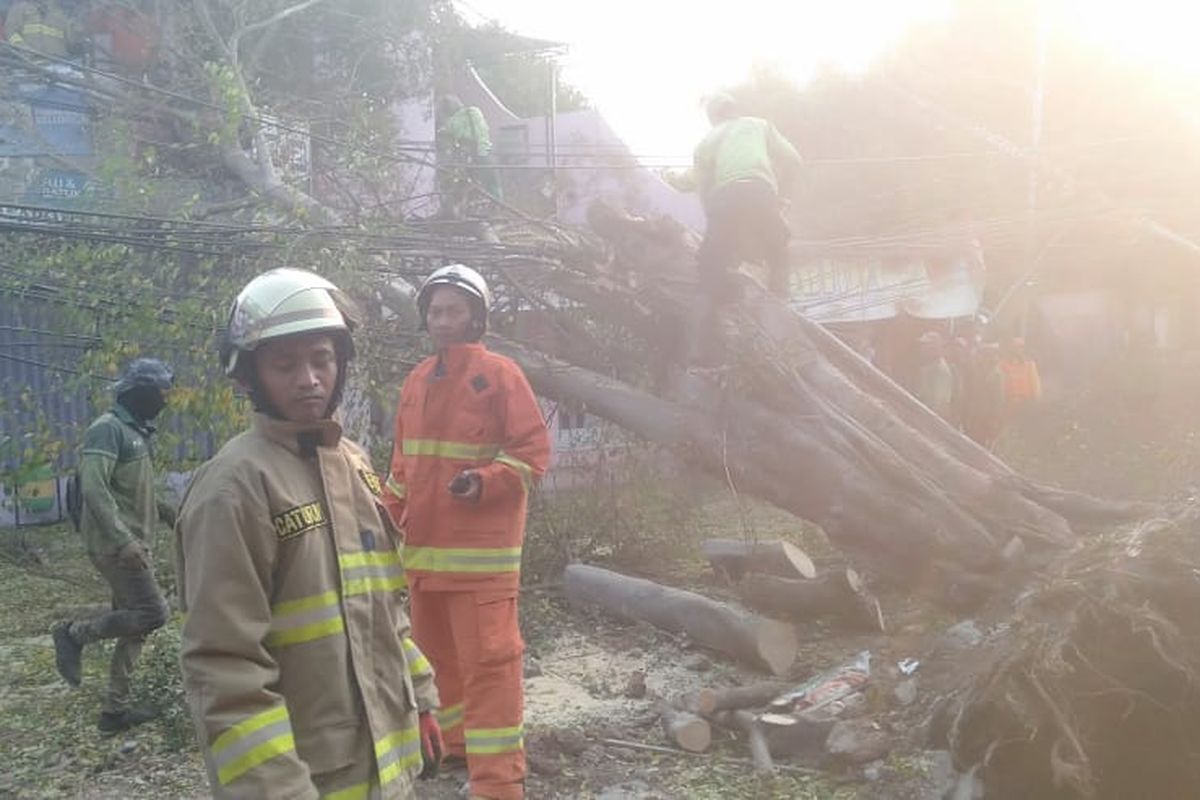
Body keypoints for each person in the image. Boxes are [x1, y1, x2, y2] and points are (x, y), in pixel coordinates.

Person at [175, 268, 442, 799]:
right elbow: (225, 668)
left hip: (387, 770)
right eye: (285, 364)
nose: (309, 379)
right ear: (249, 375)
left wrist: (422, 698)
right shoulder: (234, 489)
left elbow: (385, 609)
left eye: (321, 359)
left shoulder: (354, 463)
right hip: (311, 779)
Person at [383, 264, 551, 800]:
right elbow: (402, 470)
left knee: (490, 674)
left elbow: (531, 454)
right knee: (436, 671)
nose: (443, 320)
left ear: (476, 316)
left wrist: (485, 482)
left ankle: (498, 785)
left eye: (454, 310)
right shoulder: (414, 382)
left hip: (481, 568)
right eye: (435, 311)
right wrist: (382, 517)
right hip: (424, 565)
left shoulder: (500, 375)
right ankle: (455, 751)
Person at [51, 358, 174, 732]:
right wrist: (123, 540)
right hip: (117, 546)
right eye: (159, 392)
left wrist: (169, 512)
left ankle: (114, 712)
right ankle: (73, 634)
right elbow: (94, 487)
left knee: (133, 626)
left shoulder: (135, 431)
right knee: (155, 613)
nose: (164, 400)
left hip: (136, 543)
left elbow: (130, 490)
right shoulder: (107, 429)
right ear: (139, 392)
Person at [688, 91, 803, 366]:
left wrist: (713, 219)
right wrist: (781, 195)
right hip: (761, 193)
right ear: (734, 110)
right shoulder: (759, 125)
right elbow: (795, 161)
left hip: (723, 199)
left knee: (709, 272)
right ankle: (782, 322)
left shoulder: (706, 141)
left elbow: (702, 187)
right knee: (779, 253)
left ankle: (697, 349)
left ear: (712, 118)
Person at [438, 94, 503, 215]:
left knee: (465, 183)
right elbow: (484, 130)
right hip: (486, 152)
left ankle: (458, 210)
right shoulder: (474, 111)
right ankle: (496, 208)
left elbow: (451, 142)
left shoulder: (451, 123)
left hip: (469, 157)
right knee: (493, 182)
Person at [5, 0, 80, 58]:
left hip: (59, 62)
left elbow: (72, 44)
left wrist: (76, 30)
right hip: (28, 62)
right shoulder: (20, 8)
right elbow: (10, 31)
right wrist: (22, 46)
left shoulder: (63, 14)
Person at [913, 331, 955, 420]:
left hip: (930, 420)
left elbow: (940, 404)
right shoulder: (929, 367)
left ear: (933, 348)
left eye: (925, 345)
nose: (921, 348)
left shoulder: (940, 370)